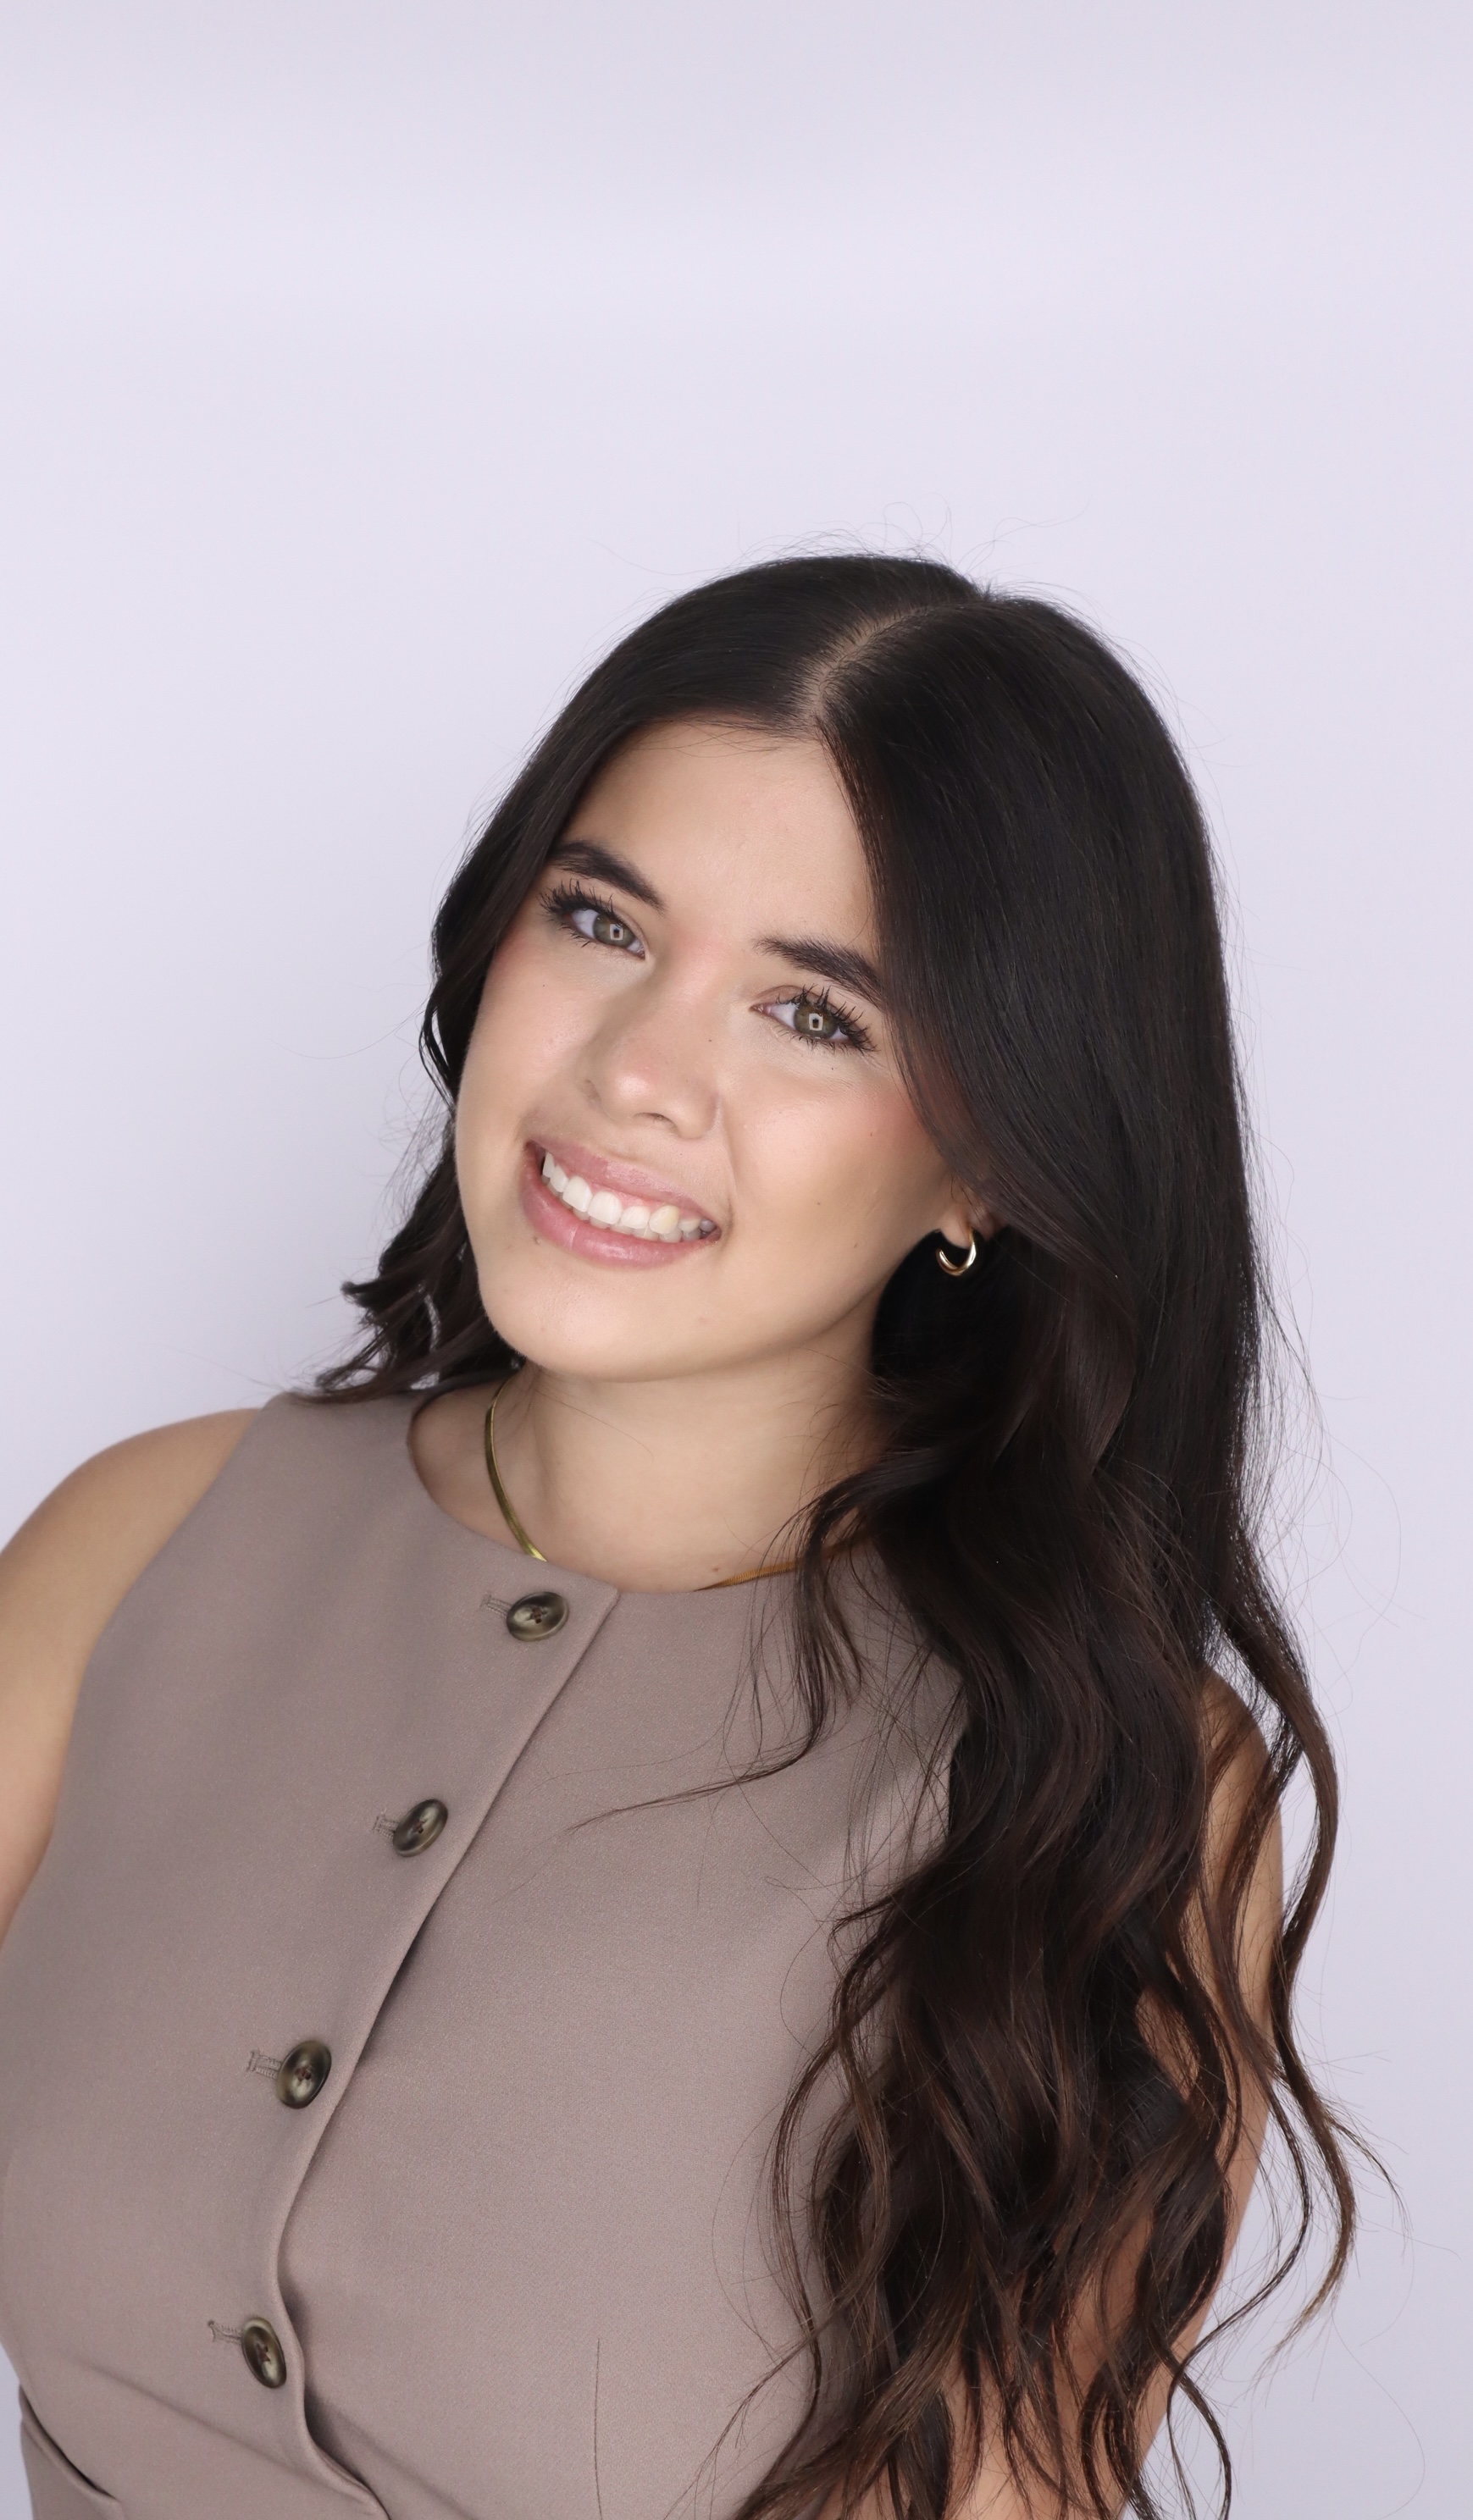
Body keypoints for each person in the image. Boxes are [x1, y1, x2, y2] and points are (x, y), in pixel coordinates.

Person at [0, 555, 1354, 2520]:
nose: (638, 1070)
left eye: (815, 1010)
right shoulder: (150, 1539)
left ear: (993, 1154)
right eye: (600, 918)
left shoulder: (1104, 1791)